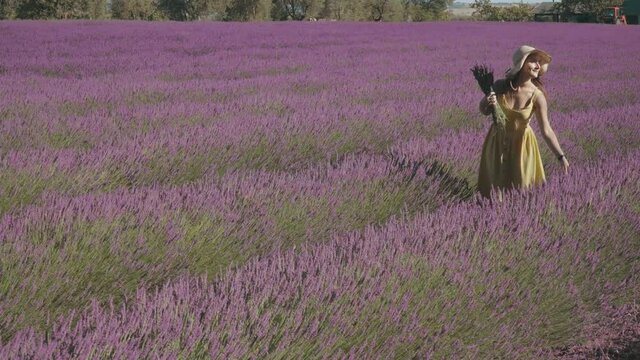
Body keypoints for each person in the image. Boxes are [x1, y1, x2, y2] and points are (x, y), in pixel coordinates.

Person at [477, 45, 569, 198]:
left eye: (539, 62)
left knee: (522, 191)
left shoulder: (537, 96)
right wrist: (487, 101)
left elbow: (546, 130)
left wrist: (561, 156)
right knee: (494, 192)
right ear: (522, 63)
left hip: (523, 147)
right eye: (533, 61)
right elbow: (484, 110)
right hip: (497, 143)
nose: (538, 66)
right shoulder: (500, 86)